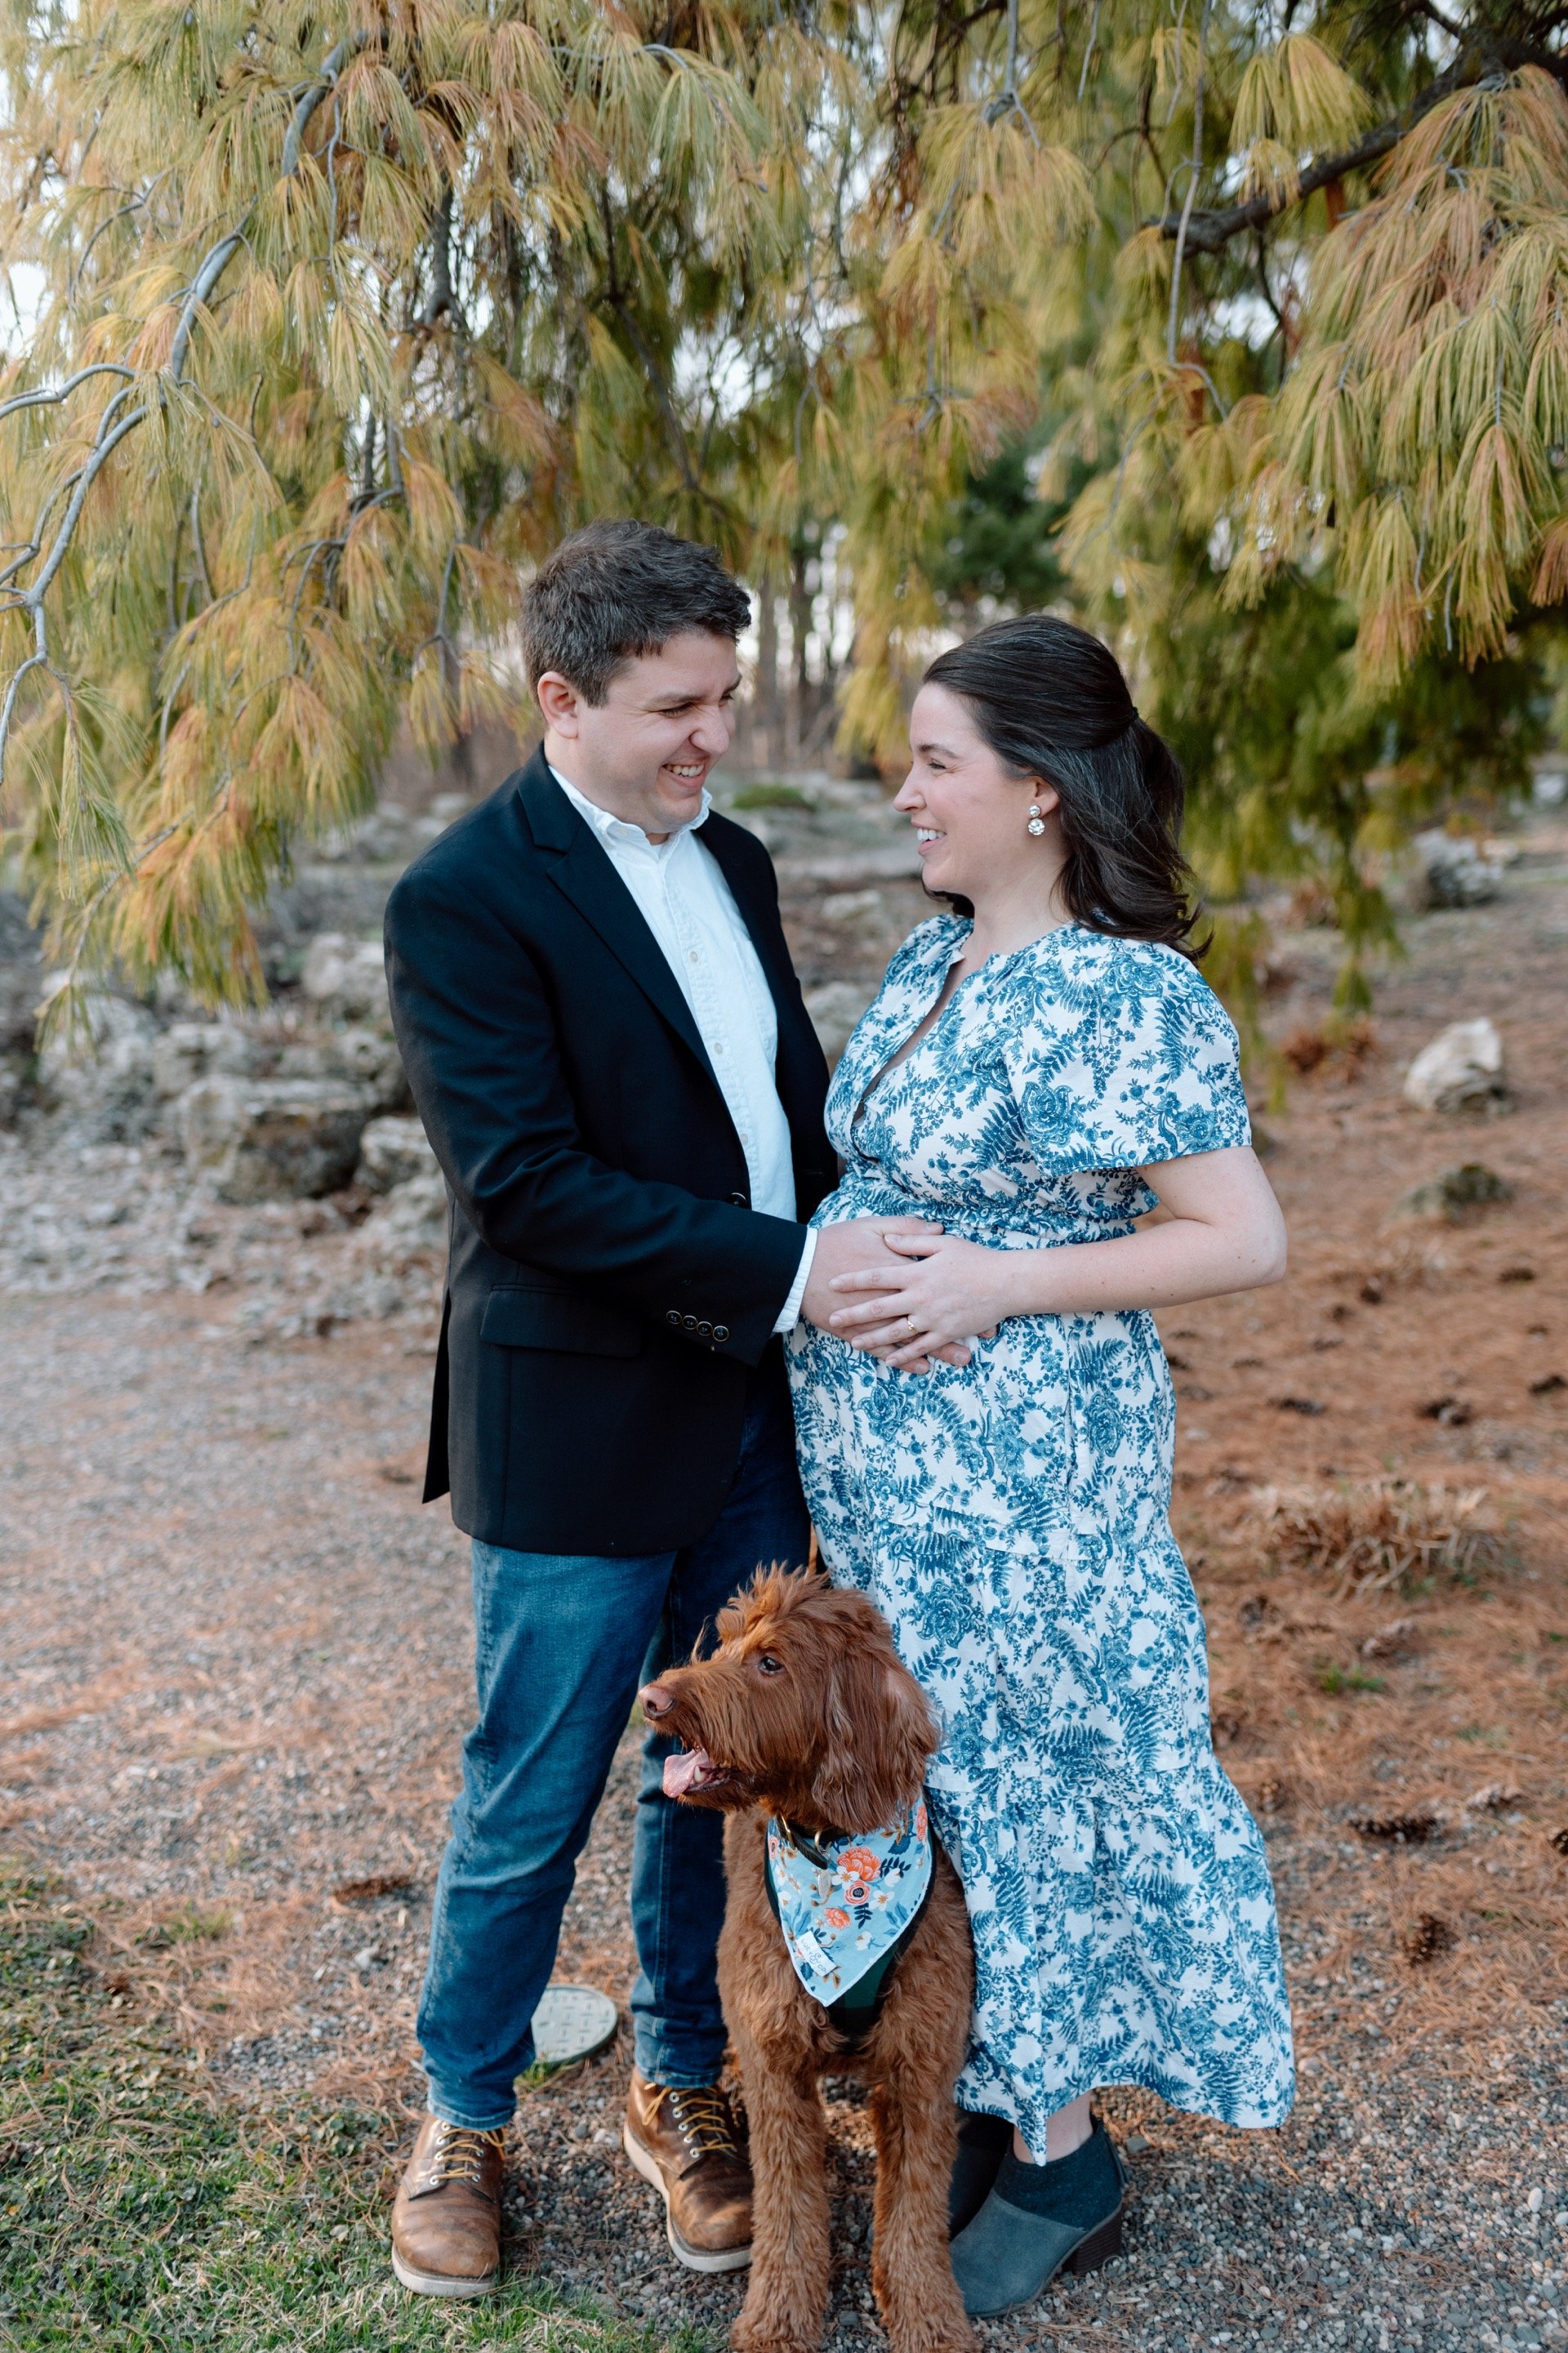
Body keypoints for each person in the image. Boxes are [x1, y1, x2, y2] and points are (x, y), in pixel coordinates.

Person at [381, 519, 935, 2298]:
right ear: (563, 698)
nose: (716, 735)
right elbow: (526, 1182)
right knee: (533, 1784)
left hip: (756, 1415)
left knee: (732, 1774)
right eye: (677, 706)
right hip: (578, 1423)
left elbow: (787, 1107)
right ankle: (465, 2110)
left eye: (724, 697)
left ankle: (688, 2082)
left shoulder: (741, 858)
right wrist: (789, 1272)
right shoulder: (462, 899)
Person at [786, 612, 1296, 2318]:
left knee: (1030, 1777)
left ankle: (1066, 2152)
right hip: (894, 1489)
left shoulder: (1115, 991)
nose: (907, 792)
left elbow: (1239, 1235)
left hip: (1025, 1499)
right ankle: (999, 2098)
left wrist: (1001, 1279)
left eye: (939, 763)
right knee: (948, 1778)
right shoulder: (938, 963)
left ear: (1042, 796)